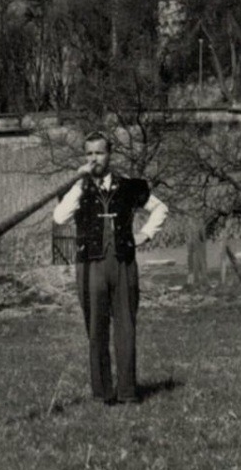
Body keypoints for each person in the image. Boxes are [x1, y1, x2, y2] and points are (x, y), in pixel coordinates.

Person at [52, 131, 169, 405]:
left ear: (110, 154)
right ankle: (103, 393)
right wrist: (80, 183)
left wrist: (146, 234)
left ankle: (127, 392)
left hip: (123, 264)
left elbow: (161, 208)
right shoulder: (78, 189)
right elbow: (59, 218)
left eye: (99, 153)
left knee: (126, 327)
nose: (94, 159)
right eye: (89, 153)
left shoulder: (128, 186)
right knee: (96, 329)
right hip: (90, 266)